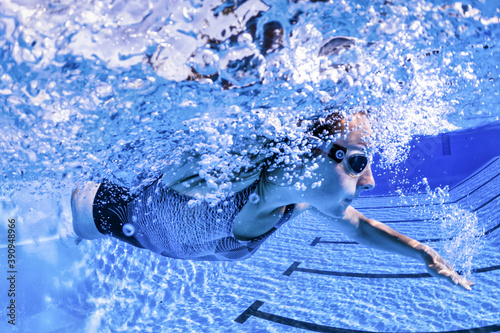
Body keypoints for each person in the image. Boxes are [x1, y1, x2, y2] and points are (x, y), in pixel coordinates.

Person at [71, 111, 475, 290]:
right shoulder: (221, 172)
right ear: (308, 154)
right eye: (359, 161)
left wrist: (424, 253)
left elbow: (363, 229)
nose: (369, 182)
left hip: (106, 230)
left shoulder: (298, 201)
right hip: (83, 206)